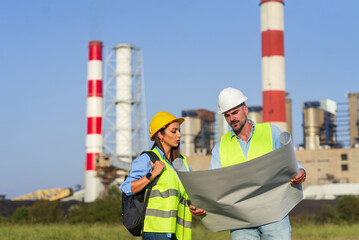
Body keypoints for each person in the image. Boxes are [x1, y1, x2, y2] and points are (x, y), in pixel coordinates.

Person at [198, 87, 306, 240]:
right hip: (241, 219)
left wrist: (301, 171)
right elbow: (213, 186)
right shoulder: (220, 148)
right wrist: (201, 203)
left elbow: (290, 161)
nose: (232, 118)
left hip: (274, 213)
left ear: (245, 109)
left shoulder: (270, 132)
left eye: (235, 112)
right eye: (227, 115)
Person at [120, 111, 193, 240]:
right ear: (160, 134)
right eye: (174, 131)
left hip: (180, 233)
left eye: (179, 131)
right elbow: (127, 188)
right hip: (156, 232)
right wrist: (152, 174)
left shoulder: (182, 163)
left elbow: (193, 192)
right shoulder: (148, 159)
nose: (179, 135)